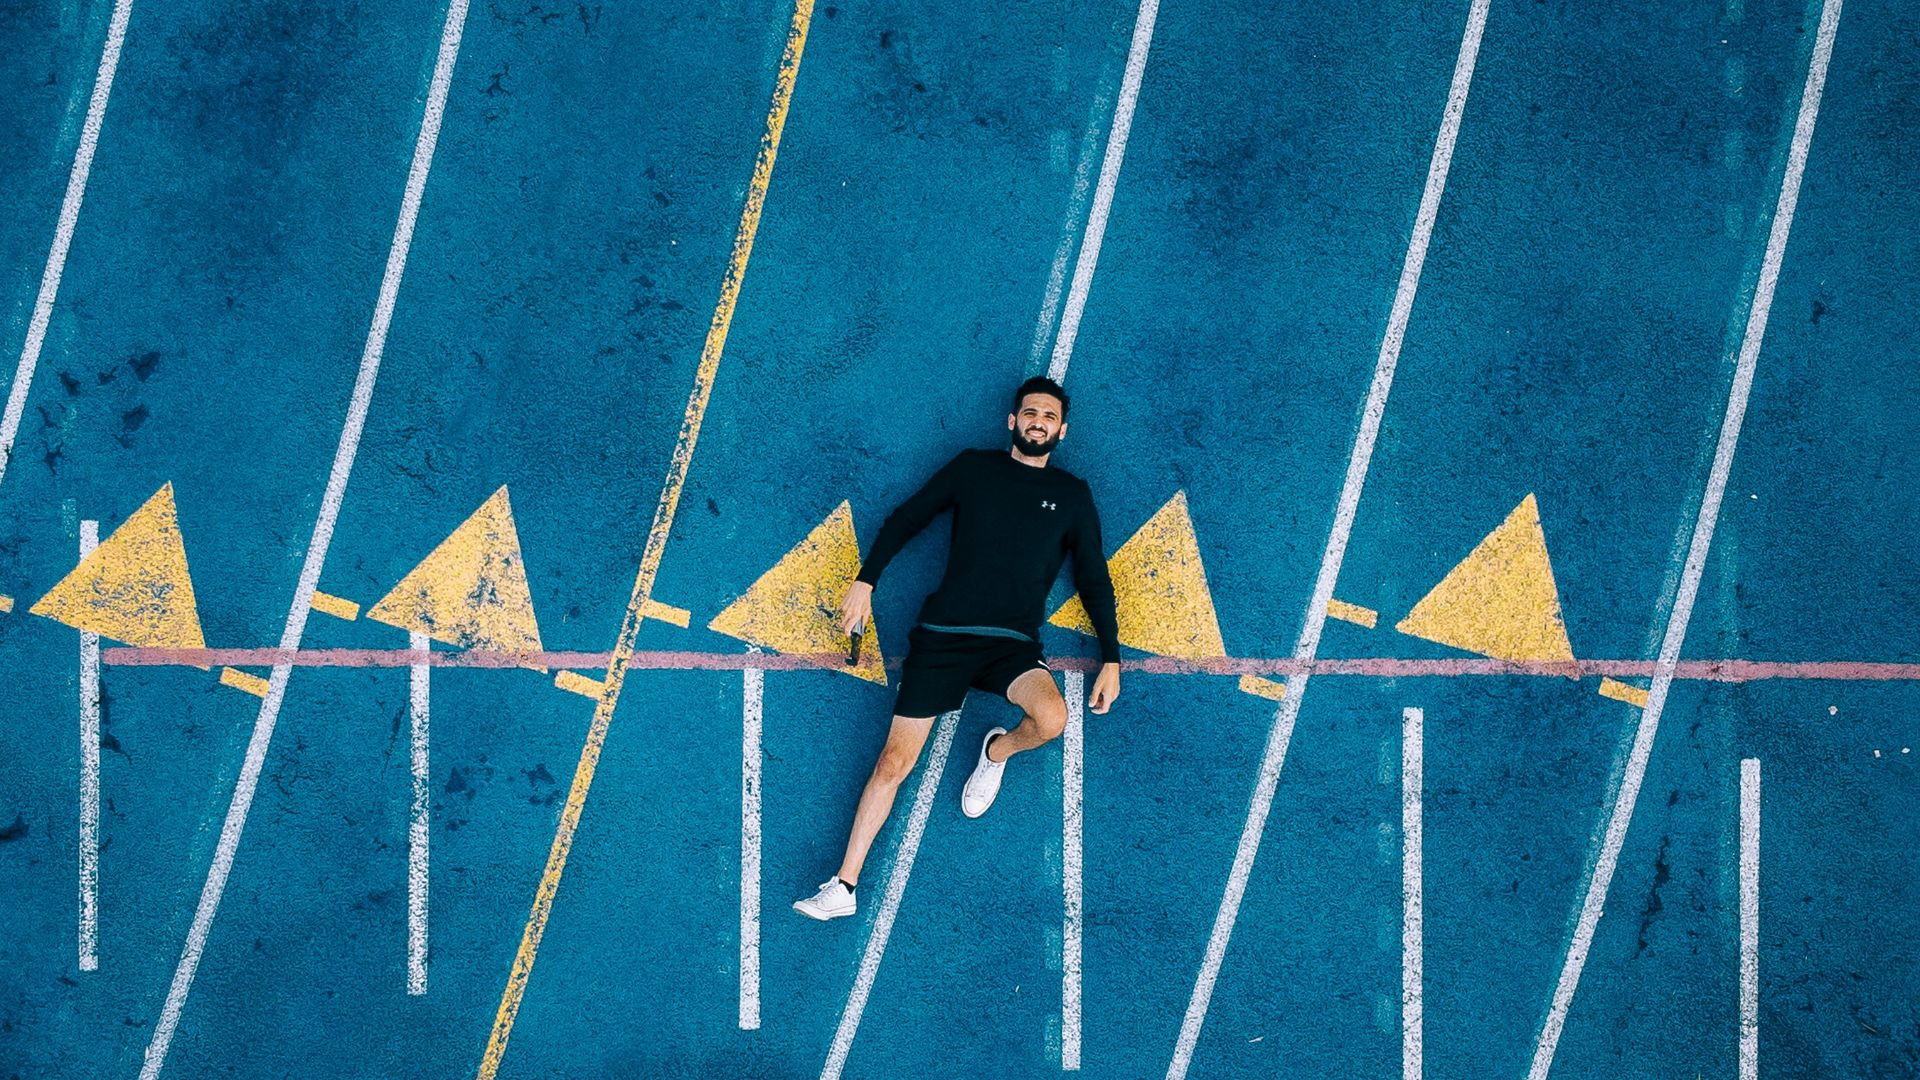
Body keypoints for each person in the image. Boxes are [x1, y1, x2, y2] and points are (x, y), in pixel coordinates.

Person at [794, 376, 1121, 920]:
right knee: (893, 762)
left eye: (1049, 416)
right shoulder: (973, 468)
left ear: (1061, 430)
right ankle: (843, 888)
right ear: (1012, 422)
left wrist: (1111, 657)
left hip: (1012, 646)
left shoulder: (1072, 495)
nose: (1038, 421)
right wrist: (866, 580)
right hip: (943, 638)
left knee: (1053, 718)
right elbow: (908, 517)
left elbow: (1093, 578)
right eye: (1030, 413)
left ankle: (995, 753)